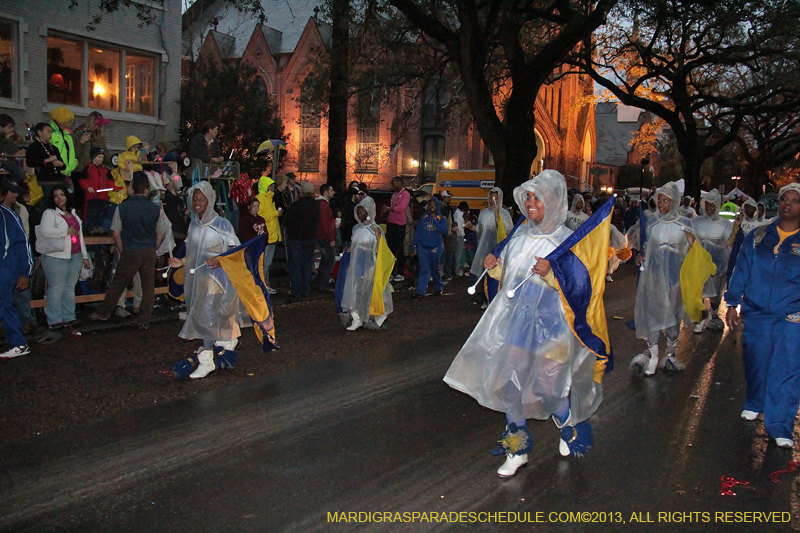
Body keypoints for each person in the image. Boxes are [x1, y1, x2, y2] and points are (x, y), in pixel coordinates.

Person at [444, 170, 602, 477]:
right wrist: (494, 267)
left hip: (552, 331)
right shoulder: (518, 238)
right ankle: (516, 448)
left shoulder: (565, 243)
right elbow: (510, 281)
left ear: (554, 201)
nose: (531, 202)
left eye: (537, 197)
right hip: (517, 327)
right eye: (528, 197)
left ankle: (568, 426)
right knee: (512, 388)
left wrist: (553, 273)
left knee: (548, 391)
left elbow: (581, 288)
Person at [725, 183, 800, 448]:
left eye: (794, 200)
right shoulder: (759, 236)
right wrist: (732, 302)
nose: (787, 204)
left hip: (791, 315)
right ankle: (755, 401)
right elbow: (742, 268)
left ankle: (780, 424)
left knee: (787, 368)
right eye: (784, 199)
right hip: (757, 313)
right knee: (756, 362)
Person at [167, 181, 244, 379]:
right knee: (205, 317)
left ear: (209, 200)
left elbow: (236, 250)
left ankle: (207, 359)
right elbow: (194, 252)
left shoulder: (222, 224)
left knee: (207, 317)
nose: (197, 202)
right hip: (197, 280)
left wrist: (220, 260)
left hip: (217, 280)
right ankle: (218, 348)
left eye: (201, 199)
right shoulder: (194, 224)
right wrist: (180, 261)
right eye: (194, 199)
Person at [630, 182, 694, 376]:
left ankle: (670, 353)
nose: (661, 204)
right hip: (654, 278)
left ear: (674, 202)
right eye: (659, 200)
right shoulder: (652, 223)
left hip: (676, 279)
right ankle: (654, 355)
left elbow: (694, 253)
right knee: (654, 314)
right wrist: (640, 257)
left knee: (673, 316)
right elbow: (647, 248)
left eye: (665, 200)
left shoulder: (685, 224)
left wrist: (692, 244)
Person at [88, 173, 166, 329]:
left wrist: (123, 249)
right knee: (148, 286)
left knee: (118, 284)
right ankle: (145, 318)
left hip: (130, 249)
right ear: (147, 190)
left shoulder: (122, 207)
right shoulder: (155, 209)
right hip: (148, 250)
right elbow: (161, 233)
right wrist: (153, 246)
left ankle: (104, 312)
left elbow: (116, 233)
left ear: (132, 188)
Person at [35, 184, 91, 334]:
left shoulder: (73, 213)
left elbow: (80, 237)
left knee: (68, 287)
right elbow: (45, 231)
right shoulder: (49, 213)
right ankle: (54, 319)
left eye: (62, 194)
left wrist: (84, 256)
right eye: (56, 196)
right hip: (56, 255)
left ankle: (69, 316)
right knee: (56, 287)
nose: (59, 198)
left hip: (75, 254)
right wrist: (65, 231)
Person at [341, 196, 393, 331]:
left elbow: (381, 250)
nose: (359, 214)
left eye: (362, 211)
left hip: (371, 266)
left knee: (372, 292)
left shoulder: (375, 229)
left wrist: (378, 240)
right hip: (357, 267)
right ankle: (357, 318)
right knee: (355, 291)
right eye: (357, 211)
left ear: (369, 211)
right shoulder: (356, 229)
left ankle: (379, 317)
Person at [690, 189, 732, 333]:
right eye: (707, 205)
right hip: (700, 263)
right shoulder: (696, 222)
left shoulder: (725, 224)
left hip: (717, 264)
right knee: (700, 291)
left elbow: (729, 244)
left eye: (712, 205)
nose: (709, 209)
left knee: (715, 292)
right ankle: (701, 319)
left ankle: (714, 314)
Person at [0, 180, 33, 359]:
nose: (14, 196)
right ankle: (18, 343)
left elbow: (22, 245)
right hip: (6, 269)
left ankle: (18, 342)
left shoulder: (9, 216)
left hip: (5, 270)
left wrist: (24, 272)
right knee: (6, 307)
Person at [283, 180, 320, 297]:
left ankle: (296, 290)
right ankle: (306, 289)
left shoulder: (295, 206)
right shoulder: (316, 205)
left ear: (302, 192)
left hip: (296, 238)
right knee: (307, 265)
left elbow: (287, 221)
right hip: (310, 238)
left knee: (295, 265)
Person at [470, 187, 513, 281]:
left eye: (496, 198)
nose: (493, 200)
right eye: (491, 198)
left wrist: (497, 216)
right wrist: (472, 227)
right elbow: (480, 230)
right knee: (483, 274)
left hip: (498, 249)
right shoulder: (484, 213)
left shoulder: (504, 214)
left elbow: (507, 231)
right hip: (484, 248)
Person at [410, 197, 449, 298]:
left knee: (435, 268)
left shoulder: (441, 218)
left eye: (434, 204)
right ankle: (420, 291)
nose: (432, 206)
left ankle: (438, 287)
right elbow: (418, 232)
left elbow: (445, 232)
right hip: (423, 247)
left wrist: (435, 221)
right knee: (424, 268)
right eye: (430, 204)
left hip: (436, 246)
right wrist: (412, 245)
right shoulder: (423, 217)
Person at [78, 147, 116, 231]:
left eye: (102, 157)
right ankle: (90, 228)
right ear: (93, 157)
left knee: (100, 213)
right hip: (91, 196)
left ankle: (98, 228)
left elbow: (109, 181)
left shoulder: (105, 170)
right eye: (99, 157)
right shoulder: (88, 169)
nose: (101, 159)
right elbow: (82, 180)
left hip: (102, 197)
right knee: (92, 213)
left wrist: (114, 188)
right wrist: (87, 187)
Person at [382, 176, 411, 281]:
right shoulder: (394, 195)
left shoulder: (406, 194)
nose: (392, 185)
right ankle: (391, 272)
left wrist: (390, 209)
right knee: (390, 249)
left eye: (393, 183)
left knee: (399, 248)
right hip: (391, 223)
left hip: (399, 224)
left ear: (399, 183)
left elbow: (401, 208)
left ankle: (400, 272)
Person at [255, 175, 280, 294]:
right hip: (267, 235)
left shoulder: (269, 198)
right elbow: (260, 216)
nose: (273, 187)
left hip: (271, 235)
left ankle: (265, 284)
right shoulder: (260, 198)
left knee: (267, 263)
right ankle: (263, 285)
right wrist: (275, 213)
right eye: (271, 185)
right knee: (264, 262)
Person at [48, 107, 78, 189]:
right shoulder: (50, 135)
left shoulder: (68, 136)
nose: (68, 124)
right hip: (56, 174)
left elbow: (70, 152)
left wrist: (73, 163)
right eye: (66, 121)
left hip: (68, 174)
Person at [314, 183, 336, 291]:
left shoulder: (320, 204)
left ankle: (321, 282)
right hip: (324, 237)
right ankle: (323, 283)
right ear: (326, 192)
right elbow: (325, 223)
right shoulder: (324, 205)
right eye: (331, 190)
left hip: (322, 236)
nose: (333, 192)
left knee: (326, 259)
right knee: (328, 259)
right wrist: (331, 238)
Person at [0, 114, 26, 183]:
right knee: (19, 171)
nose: (12, 130)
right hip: (2, 162)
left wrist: (8, 139)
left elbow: (13, 151)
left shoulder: (9, 137)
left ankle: (12, 185)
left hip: (8, 162)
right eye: (9, 127)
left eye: (12, 127)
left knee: (21, 171)